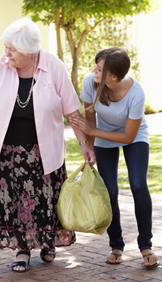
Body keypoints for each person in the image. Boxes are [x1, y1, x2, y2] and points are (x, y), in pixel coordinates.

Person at [0, 18, 95, 273]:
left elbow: (72, 110)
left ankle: (47, 242)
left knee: (43, 202)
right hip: (6, 151)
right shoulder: (0, 66)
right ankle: (22, 249)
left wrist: (84, 144)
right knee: (14, 204)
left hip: (42, 151)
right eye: (6, 47)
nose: (6, 53)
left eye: (12, 49)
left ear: (30, 51)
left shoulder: (54, 67)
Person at [69, 47, 160, 269]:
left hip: (134, 136)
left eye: (100, 69)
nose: (94, 71)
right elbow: (90, 120)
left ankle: (145, 245)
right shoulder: (91, 83)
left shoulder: (136, 94)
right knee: (109, 189)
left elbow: (128, 136)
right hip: (103, 138)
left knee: (138, 184)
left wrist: (93, 133)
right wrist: (88, 150)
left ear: (114, 76)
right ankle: (116, 245)